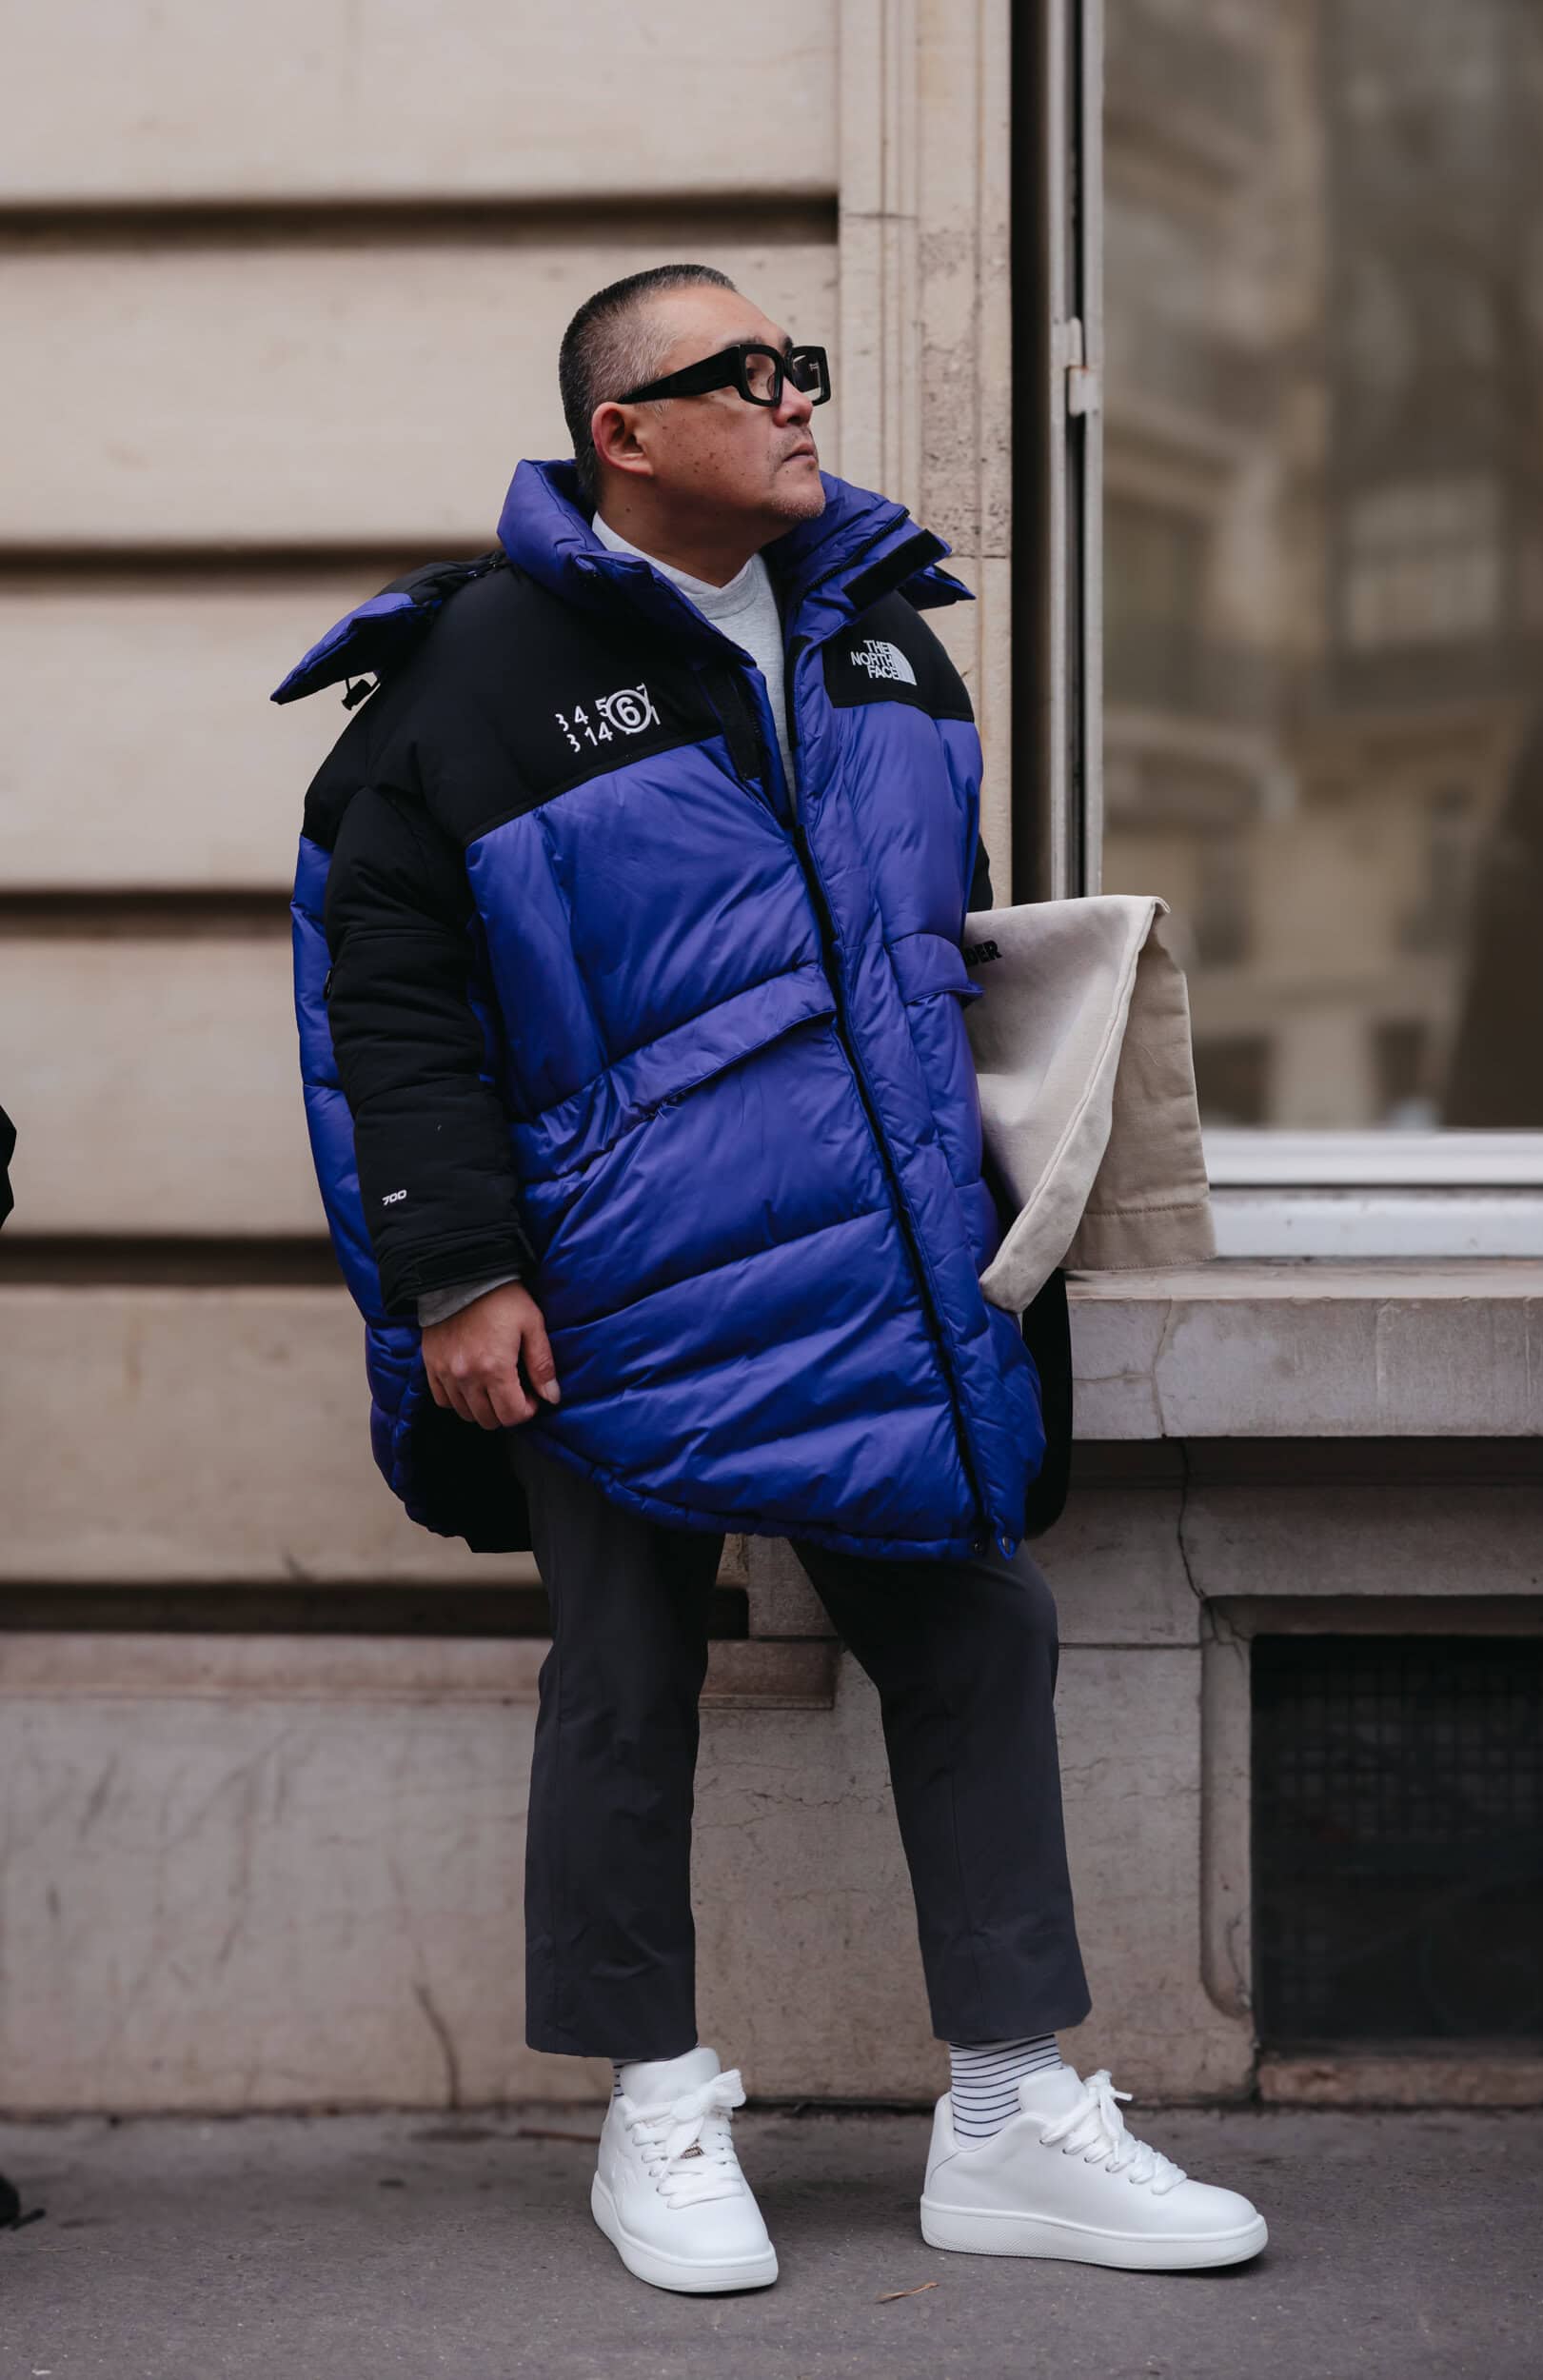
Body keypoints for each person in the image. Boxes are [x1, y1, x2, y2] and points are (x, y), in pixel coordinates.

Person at [282, 265, 1267, 2293]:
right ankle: (653, 2102)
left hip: (887, 1275)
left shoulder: (887, 640)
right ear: (622, 433)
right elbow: (387, 1004)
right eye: (741, 373)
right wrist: (454, 1271)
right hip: (608, 1294)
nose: (795, 395)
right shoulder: (470, 678)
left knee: (978, 1632)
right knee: (624, 1675)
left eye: (798, 363)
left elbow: (933, 951)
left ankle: (1009, 2111)